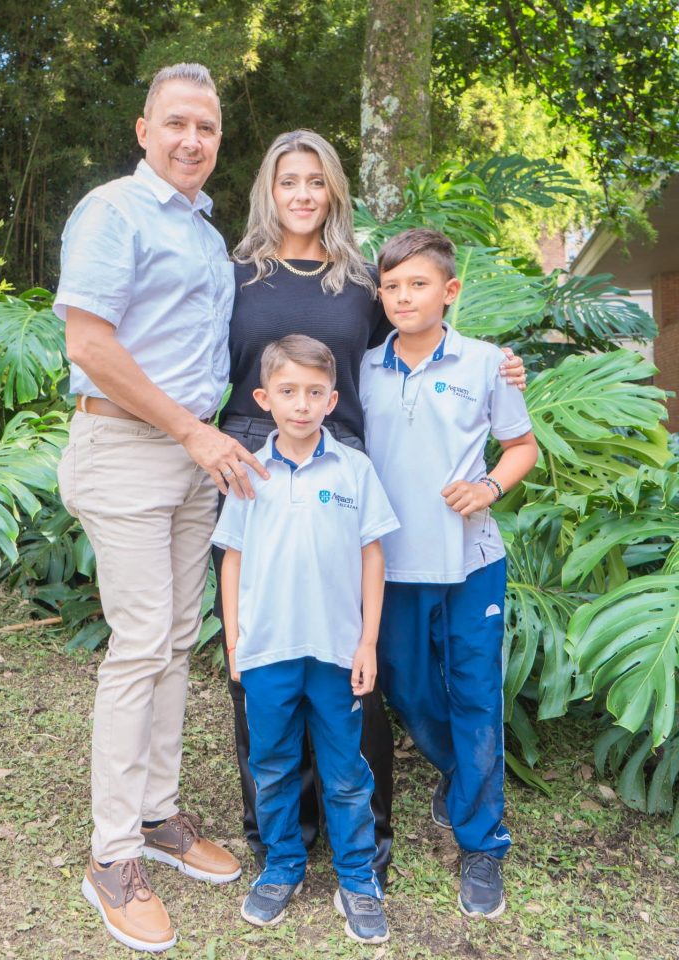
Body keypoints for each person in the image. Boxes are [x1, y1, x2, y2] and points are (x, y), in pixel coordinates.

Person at [215, 129, 528, 885]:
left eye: (315, 180)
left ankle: (371, 834)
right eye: (288, 180)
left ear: (334, 190)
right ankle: (280, 835)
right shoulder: (235, 274)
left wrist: (504, 366)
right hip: (252, 467)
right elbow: (200, 360)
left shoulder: (359, 281)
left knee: (355, 658)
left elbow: (425, 333)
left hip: (346, 471)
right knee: (266, 647)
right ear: (267, 190)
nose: (302, 194)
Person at [54, 63, 267, 954]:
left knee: (177, 639)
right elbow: (89, 344)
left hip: (189, 458)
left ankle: (155, 815)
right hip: (129, 450)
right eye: (176, 123)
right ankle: (111, 857)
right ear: (144, 130)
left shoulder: (206, 234)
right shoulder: (114, 211)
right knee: (142, 643)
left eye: (206, 128)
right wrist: (190, 430)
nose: (192, 140)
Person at [360, 228, 539, 920]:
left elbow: (520, 446)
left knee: (475, 694)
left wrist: (489, 486)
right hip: (392, 564)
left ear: (449, 290)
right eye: (392, 286)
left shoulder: (488, 363)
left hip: (471, 562)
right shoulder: (362, 367)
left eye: (419, 284)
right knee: (405, 687)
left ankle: (483, 842)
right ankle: (464, 774)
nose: (404, 297)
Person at [212, 334, 400, 945]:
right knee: (271, 765)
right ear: (264, 398)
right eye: (288, 391)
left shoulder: (354, 469)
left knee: (345, 770)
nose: (301, 404)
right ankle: (282, 865)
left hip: (337, 651)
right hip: (267, 650)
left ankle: (357, 878)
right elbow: (233, 559)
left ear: (332, 400)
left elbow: (373, 557)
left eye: (315, 392)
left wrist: (367, 642)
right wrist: (235, 641)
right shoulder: (249, 471)